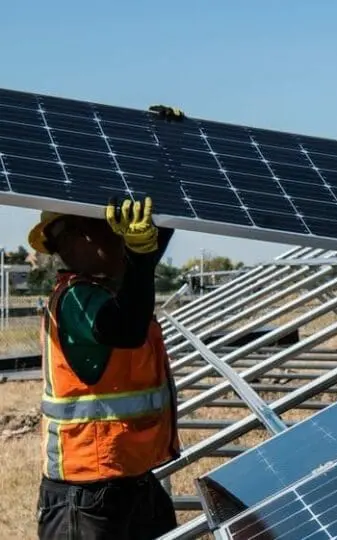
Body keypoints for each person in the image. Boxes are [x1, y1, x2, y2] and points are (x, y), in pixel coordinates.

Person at [32, 104, 186, 540]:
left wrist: (169, 149)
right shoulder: (76, 298)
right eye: (105, 226)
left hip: (130, 481)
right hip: (88, 492)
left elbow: (152, 238)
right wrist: (139, 257)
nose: (118, 232)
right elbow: (126, 326)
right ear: (73, 240)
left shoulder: (117, 284)